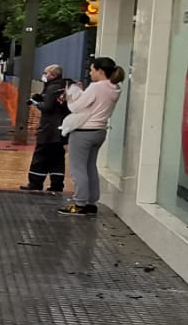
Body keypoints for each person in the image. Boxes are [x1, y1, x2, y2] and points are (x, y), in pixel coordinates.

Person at [60, 57, 126, 216]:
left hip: (84, 132)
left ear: (100, 71)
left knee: (78, 169)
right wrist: (83, 92)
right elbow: (94, 105)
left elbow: (76, 107)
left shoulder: (96, 87)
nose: (90, 73)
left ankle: (79, 203)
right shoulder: (114, 88)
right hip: (100, 131)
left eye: (92, 70)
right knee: (90, 167)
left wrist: (71, 94)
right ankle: (91, 202)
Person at [21, 64, 71, 194]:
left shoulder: (52, 88)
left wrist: (37, 103)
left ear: (53, 75)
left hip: (49, 129)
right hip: (62, 128)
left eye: (46, 73)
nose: (44, 75)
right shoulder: (64, 87)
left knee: (40, 156)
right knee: (58, 157)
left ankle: (35, 182)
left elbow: (47, 107)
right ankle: (57, 184)